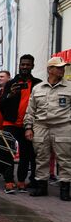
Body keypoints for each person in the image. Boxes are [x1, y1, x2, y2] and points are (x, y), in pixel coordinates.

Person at [24, 56, 71, 201]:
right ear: (50, 70)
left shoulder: (69, 87)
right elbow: (31, 110)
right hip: (41, 127)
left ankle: (65, 189)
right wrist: (28, 127)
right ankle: (41, 187)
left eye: (63, 67)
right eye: (59, 67)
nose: (62, 70)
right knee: (41, 158)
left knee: (65, 159)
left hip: (62, 126)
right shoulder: (38, 88)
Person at [0, 54, 42, 194]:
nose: (24, 67)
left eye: (27, 64)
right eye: (22, 64)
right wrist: (10, 94)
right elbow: (1, 105)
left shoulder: (38, 83)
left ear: (32, 66)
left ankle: (22, 181)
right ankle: (9, 181)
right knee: (8, 152)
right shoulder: (11, 83)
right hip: (10, 122)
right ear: (19, 65)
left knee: (27, 153)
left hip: (29, 124)